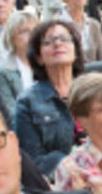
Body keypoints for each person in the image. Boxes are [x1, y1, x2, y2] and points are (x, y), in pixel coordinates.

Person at [15, 18, 87, 177]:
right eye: (48, 42)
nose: (58, 44)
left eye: (65, 39)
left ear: (75, 51)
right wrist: (78, 167)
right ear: (39, 58)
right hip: (62, 181)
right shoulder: (27, 102)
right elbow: (33, 160)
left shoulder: (95, 88)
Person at [0, 10, 41, 122]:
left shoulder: (46, 64)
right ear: (12, 37)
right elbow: (9, 112)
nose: (31, 36)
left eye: (35, 31)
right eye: (24, 31)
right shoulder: (3, 72)